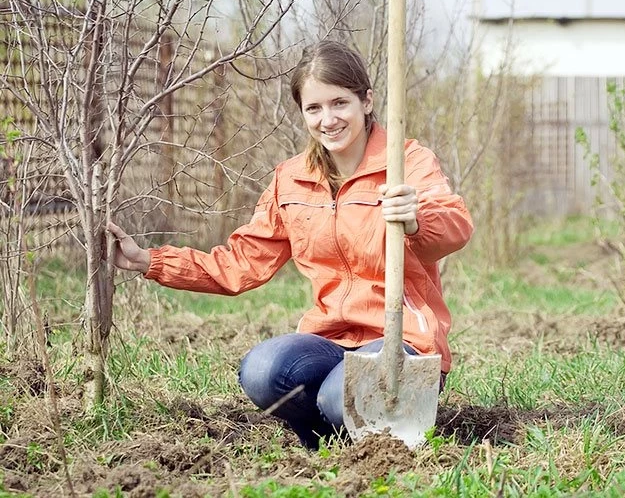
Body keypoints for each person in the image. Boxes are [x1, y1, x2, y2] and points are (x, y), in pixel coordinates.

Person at [108, 40, 473, 449]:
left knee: (341, 398)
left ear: (366, 101)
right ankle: (327, 438)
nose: (328, 119)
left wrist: (415, 220)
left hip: (401, 341)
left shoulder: (407, 162)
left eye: (340, 103)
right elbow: (243, 261)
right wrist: (150, 261)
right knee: (263, 371)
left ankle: (371, 427)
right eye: (313, 109)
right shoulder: (292, 179)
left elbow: (456, 225)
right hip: (330, 340)